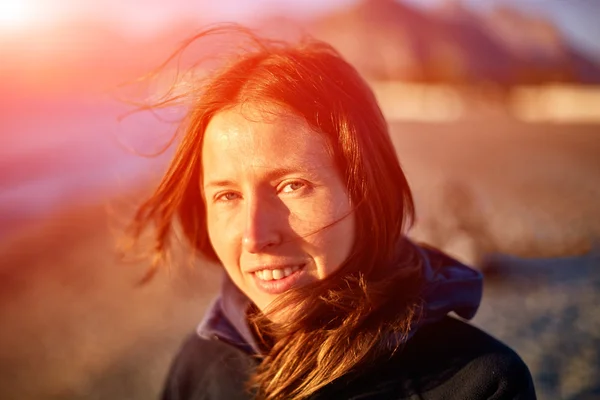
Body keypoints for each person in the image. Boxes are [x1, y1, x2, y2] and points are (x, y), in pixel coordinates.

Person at [128, 24, 536, 400]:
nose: (255, 236)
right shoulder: (199, 368)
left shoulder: (479, 385)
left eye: (292, 186)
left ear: (367, 193)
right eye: (227, 195)